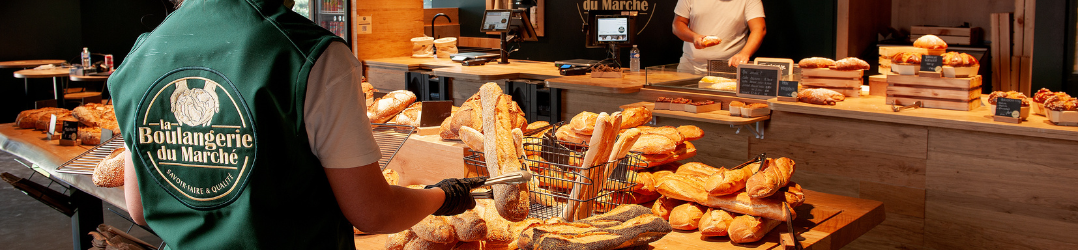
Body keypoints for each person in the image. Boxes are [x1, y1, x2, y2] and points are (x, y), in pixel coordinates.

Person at [108, 0, 482, 249]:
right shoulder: (309, 54)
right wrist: (442, 195)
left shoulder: (141, 57)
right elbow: (373, 211)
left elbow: (140, 209)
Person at [672, 0, 766, 73]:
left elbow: (759, 28)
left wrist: (744, 54)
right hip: (689, 67)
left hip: (730, 69)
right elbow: (677, 24)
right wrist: (694, 38)